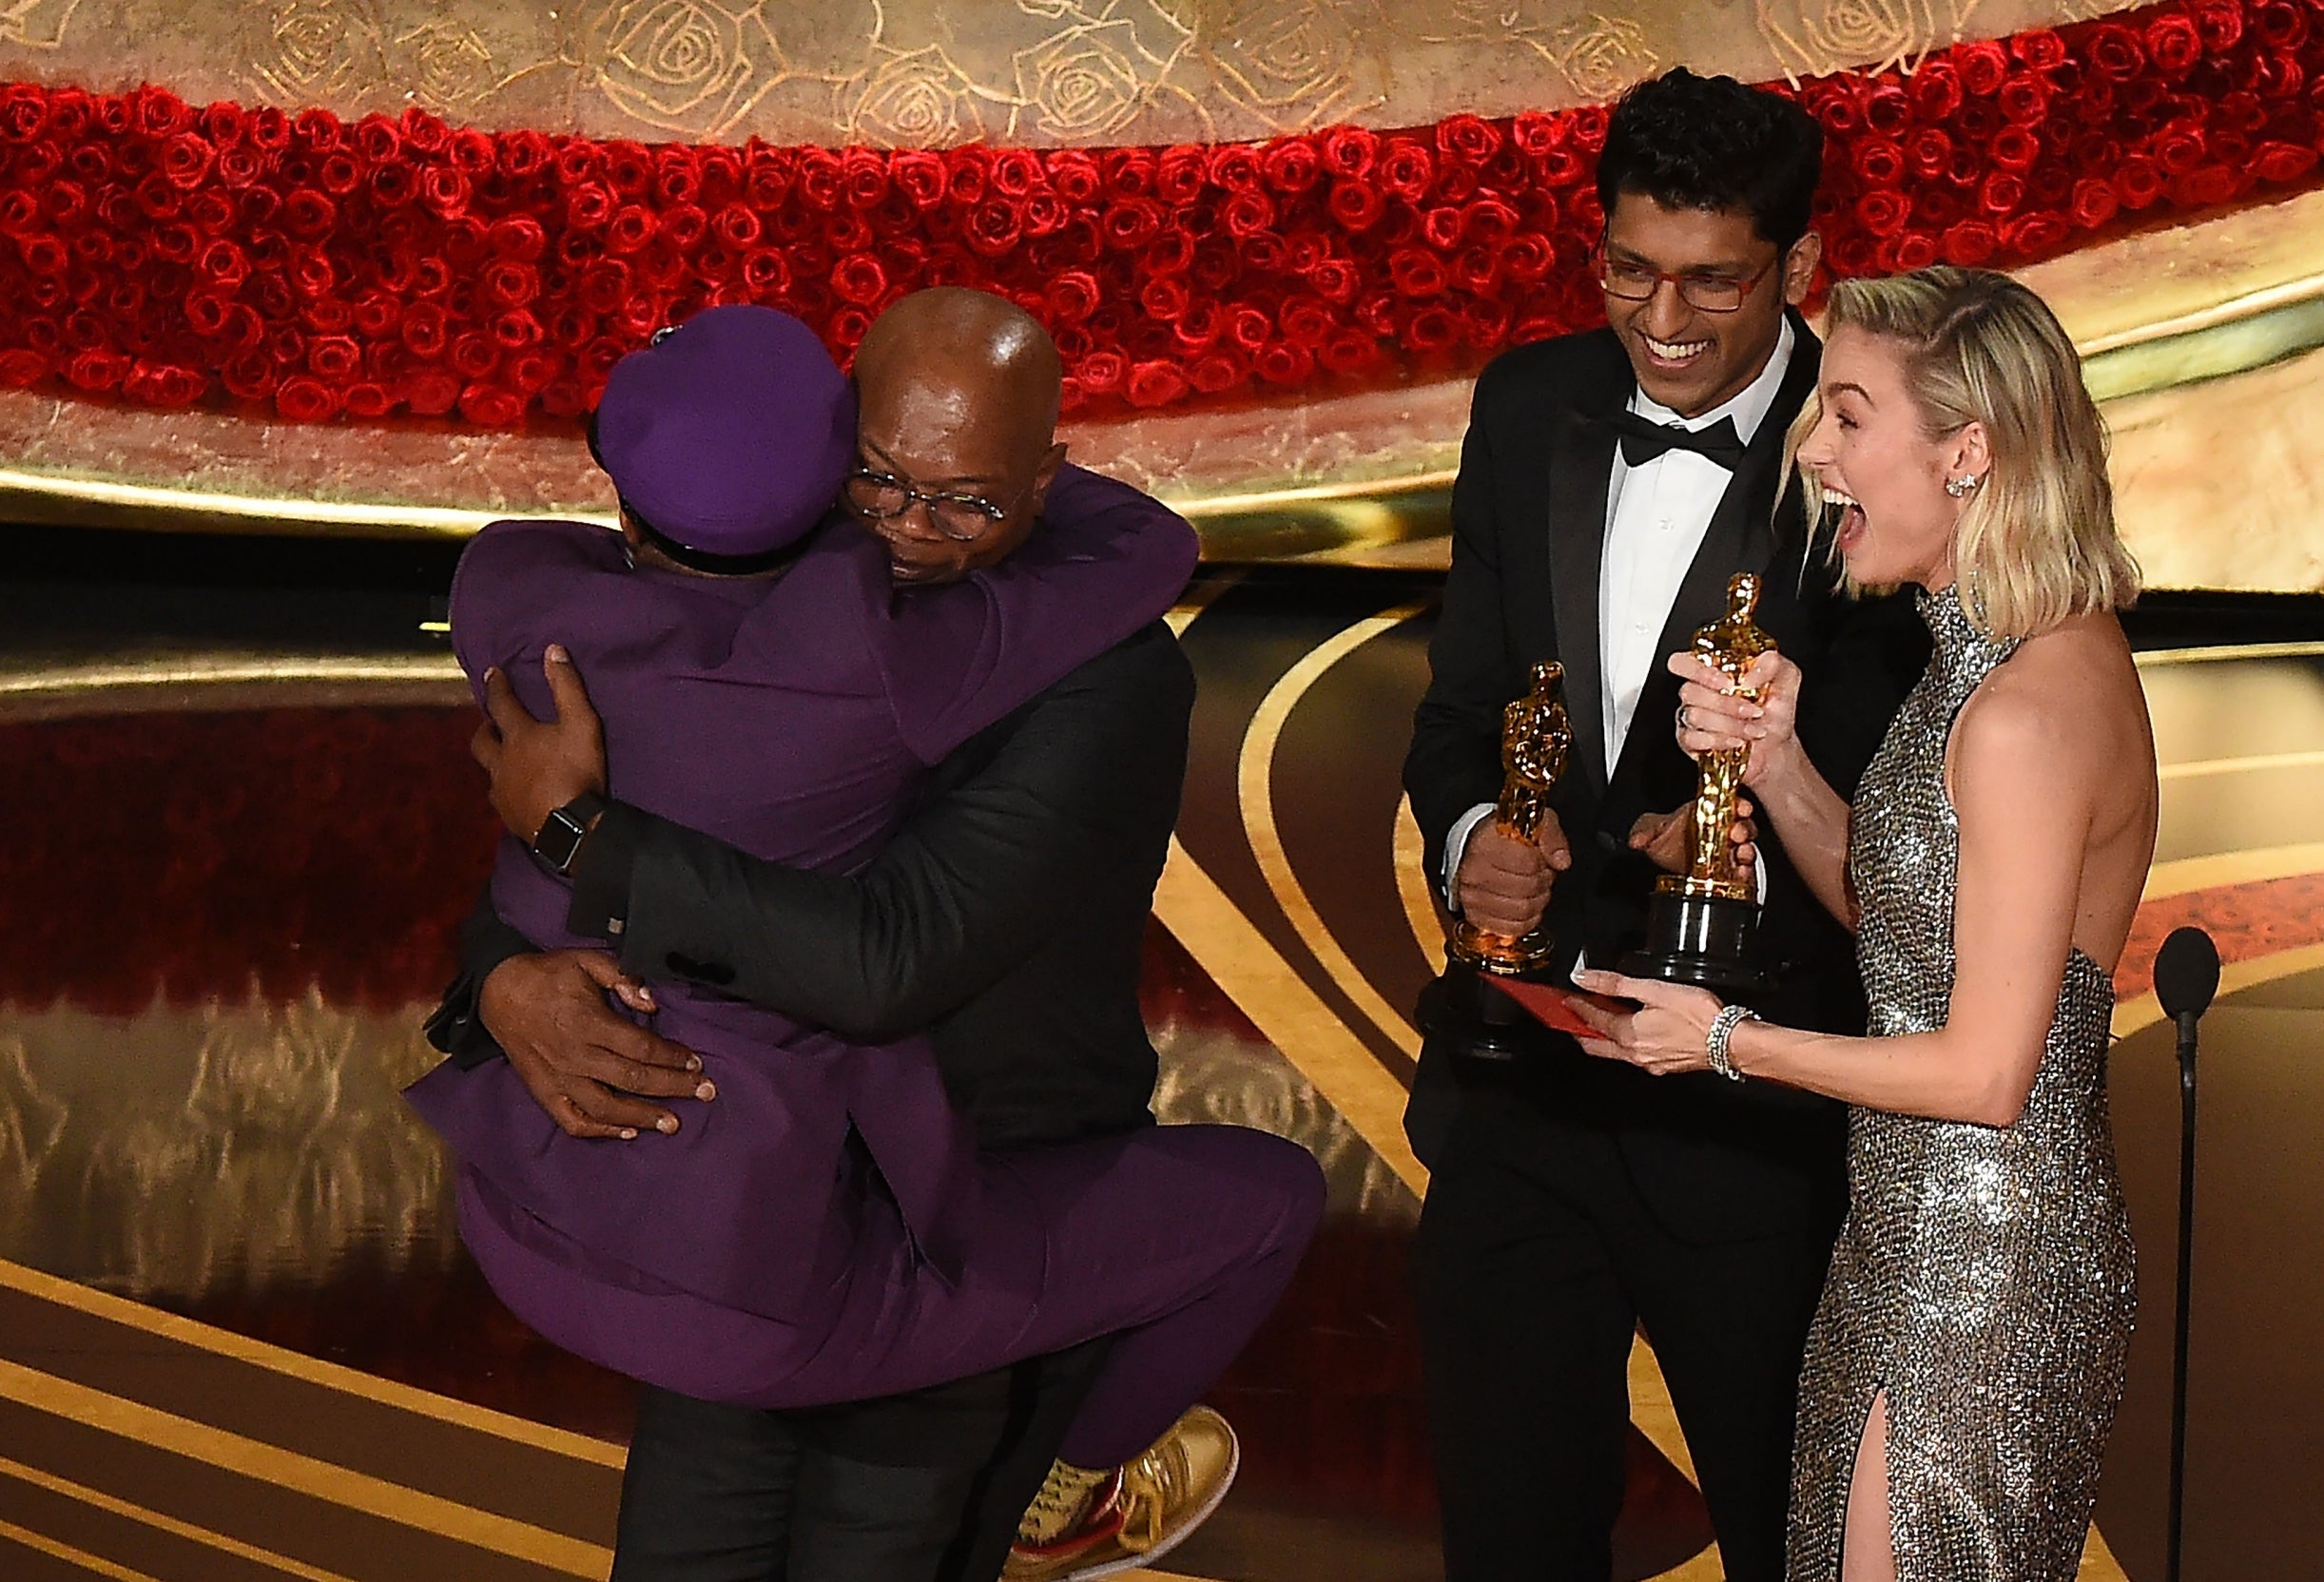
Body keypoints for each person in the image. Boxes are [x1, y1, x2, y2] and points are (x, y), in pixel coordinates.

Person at [410, 295, 1325, 1578]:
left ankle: (1069, 1494)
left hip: (966, 1194)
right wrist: (505, 979)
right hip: (746, 1174)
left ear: (1044, 484)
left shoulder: (1103, 678)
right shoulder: (774, 595)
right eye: (878, 481)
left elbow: (892, 957)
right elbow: (553, 862)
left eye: (964, 503)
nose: (905, 532)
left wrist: (586, 840)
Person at [1401, 69, 1929, 1581]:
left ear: (1803, 267)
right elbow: (1462, 710)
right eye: (1631, 269)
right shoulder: (1529, 402)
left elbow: (1909, 800)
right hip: (1518, 1084)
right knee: (1510, 1539)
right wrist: (1467, 842)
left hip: (1755, 1117)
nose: (1667, 317)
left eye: (1716, 278)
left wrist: (1746, 832)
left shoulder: (1880, 454)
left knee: (1801, 1541)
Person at [1576, 266, 2151, 1582]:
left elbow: (1985, 1073)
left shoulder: (2018, 714)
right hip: (1908, 1238)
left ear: (1969, 453)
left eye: (1844, 417)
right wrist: (1778, 766)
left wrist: (1724, 1043)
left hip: (1981, 1278)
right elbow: (1910, 929)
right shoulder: (1987, 664)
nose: (1812, 454)